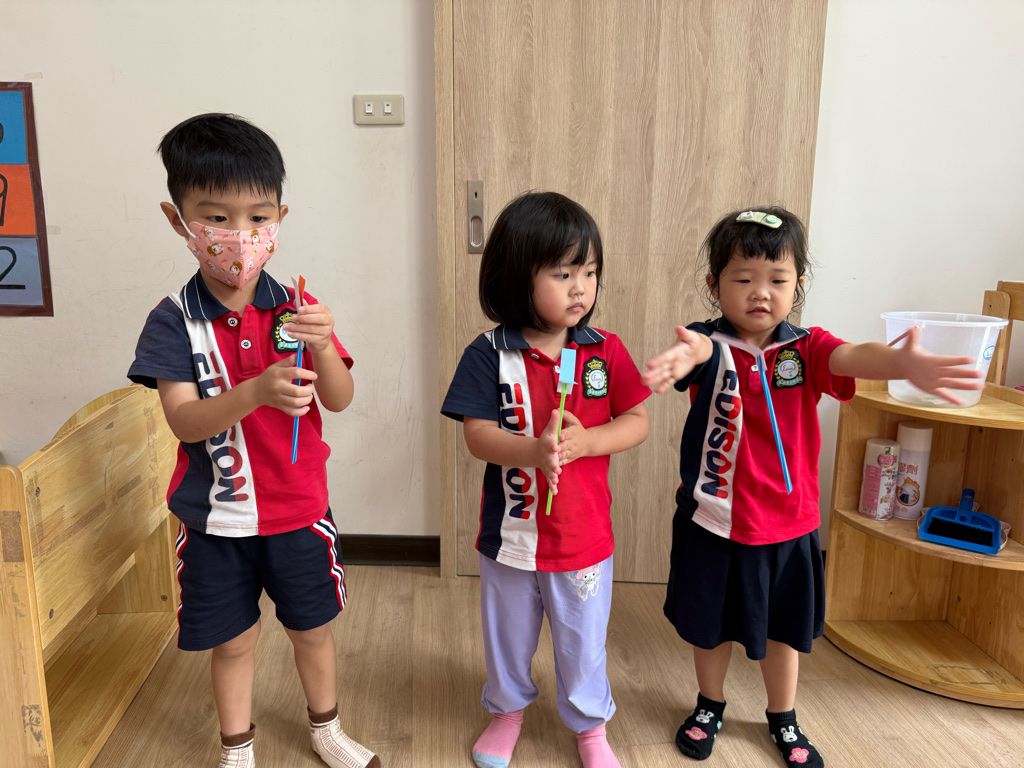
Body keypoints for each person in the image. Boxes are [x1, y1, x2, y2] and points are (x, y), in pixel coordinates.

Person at [643, 206, 983, 767]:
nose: (761, 292)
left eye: (777, 279)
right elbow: (697, 351)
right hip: (713, 519)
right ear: (714, 284)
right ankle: (709, 704)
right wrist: (688, 354)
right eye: (743, 278)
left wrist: (898, 362)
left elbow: (851, 355)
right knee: (710, 628)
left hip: (787, 525)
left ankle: (783, 717)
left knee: (784, 633)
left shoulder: (807, 348)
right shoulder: (708, 342)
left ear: (798, 284)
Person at [128, 113, 379, 768]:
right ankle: (237, 748)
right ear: (178, 220)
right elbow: (184, 422)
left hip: (299, 512)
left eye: (258, 217)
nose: (240, 236)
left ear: (280, 217)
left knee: (312, 631)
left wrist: (324, 348)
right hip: (214, 520)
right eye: (216, 217)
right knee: (233, 642)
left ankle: (326, 730)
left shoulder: (297, 306)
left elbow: (339, 398)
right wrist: (255, 392)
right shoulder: (172, 322)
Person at [441, 191, 651, 768]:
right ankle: (506, 712)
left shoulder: (605, 352)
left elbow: (637, 422)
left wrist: (589, 442)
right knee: (507, 638)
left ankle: (590, 727)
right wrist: (533, 452)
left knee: (583, 641)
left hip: (583, 539)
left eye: (590, 272)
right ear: (517, 275)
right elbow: (478, 436)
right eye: (563, 274)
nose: (581, 288)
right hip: (510, 537)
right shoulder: (488, 353)